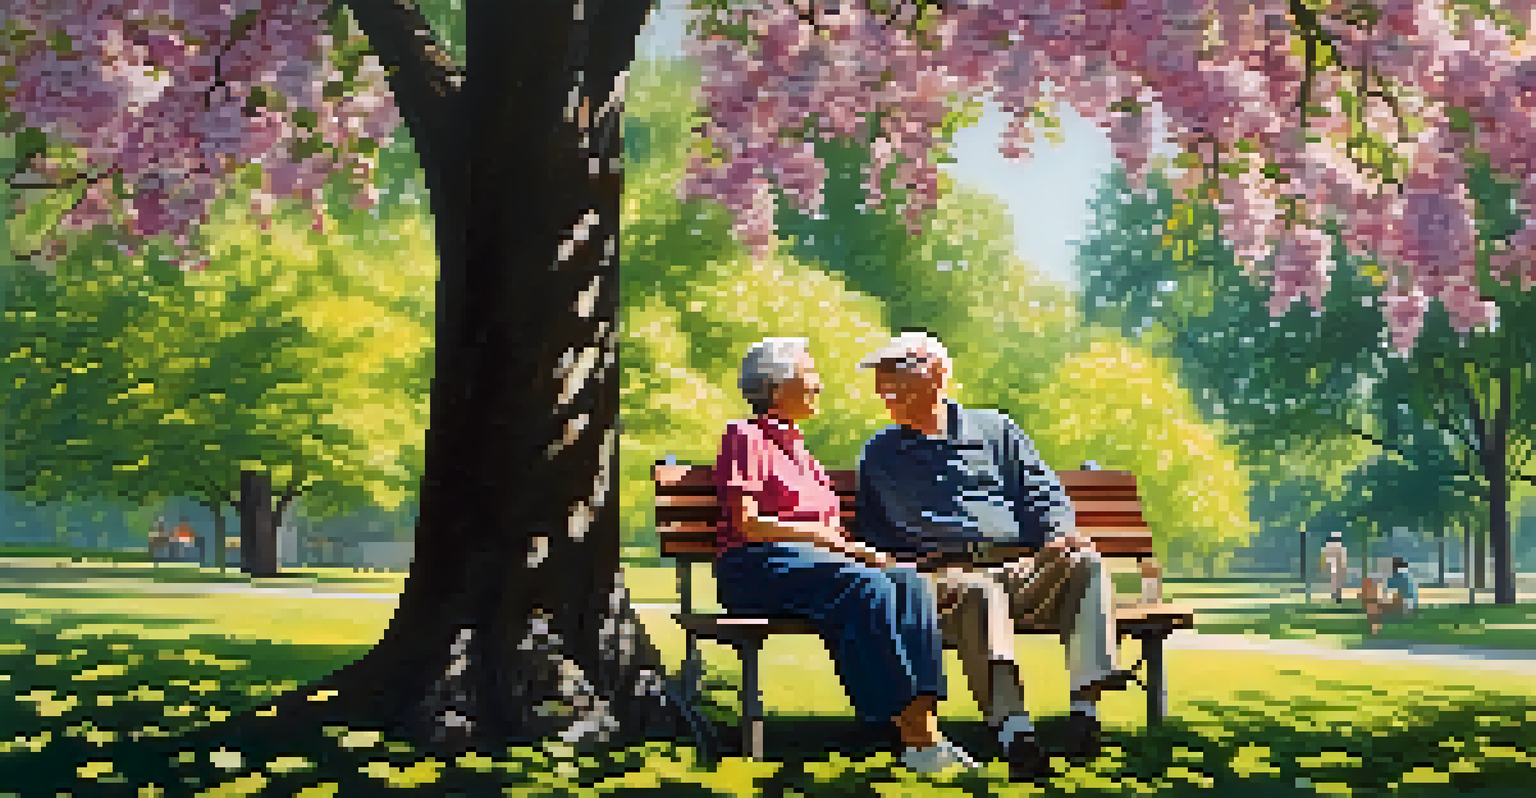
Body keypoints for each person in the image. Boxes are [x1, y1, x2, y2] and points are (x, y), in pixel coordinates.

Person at [851, 332, 1137, 781]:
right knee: (978, 589)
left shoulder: (996, 430)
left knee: (1085, 561)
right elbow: (877, 532)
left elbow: (1045, 494)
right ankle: (1015, 733)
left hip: (1018, 569)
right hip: (944, 581)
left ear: (938, 376)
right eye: (881, 383)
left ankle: (1084, 711)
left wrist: (1061, 533)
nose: (884, 393)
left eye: (896, 381)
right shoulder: (883, 451)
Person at [712, 337, 975, 773]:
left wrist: (858, 550)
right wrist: (833, 543)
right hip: (756, 566)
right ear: (777, 388)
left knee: (908, 581)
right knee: (864, 584)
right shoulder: (745, 436)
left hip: (810, 568)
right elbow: (748, 522)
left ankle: (922, 723)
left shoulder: (802, 451)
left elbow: (832, 534)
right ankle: (912, 736)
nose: (818, 385)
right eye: (809, 375)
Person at [1321, 531, 1348, 604]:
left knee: (1336, 583)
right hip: (1335, 567)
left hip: (1336, 567)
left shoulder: (1336, 547)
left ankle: (1336, 596)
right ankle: (1336, 596)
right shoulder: (1336, 547)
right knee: (1336, 583)